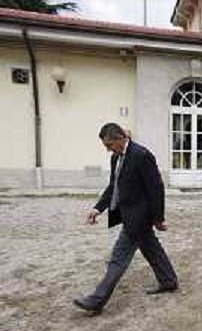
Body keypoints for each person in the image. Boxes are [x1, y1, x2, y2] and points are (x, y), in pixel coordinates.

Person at [73, 123, 178, 314]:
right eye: (106, 146)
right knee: (151, 248)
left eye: (110, 144)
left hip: (139, 216)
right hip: (128, 212)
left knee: (118, 259)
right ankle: (169, 281)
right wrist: (98, 209)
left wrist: (158, 218)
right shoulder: (116, 157)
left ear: (121, 138)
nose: (108, 149)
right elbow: (114, 186)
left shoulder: (142, 155)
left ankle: (97, 300)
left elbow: (156, 189)